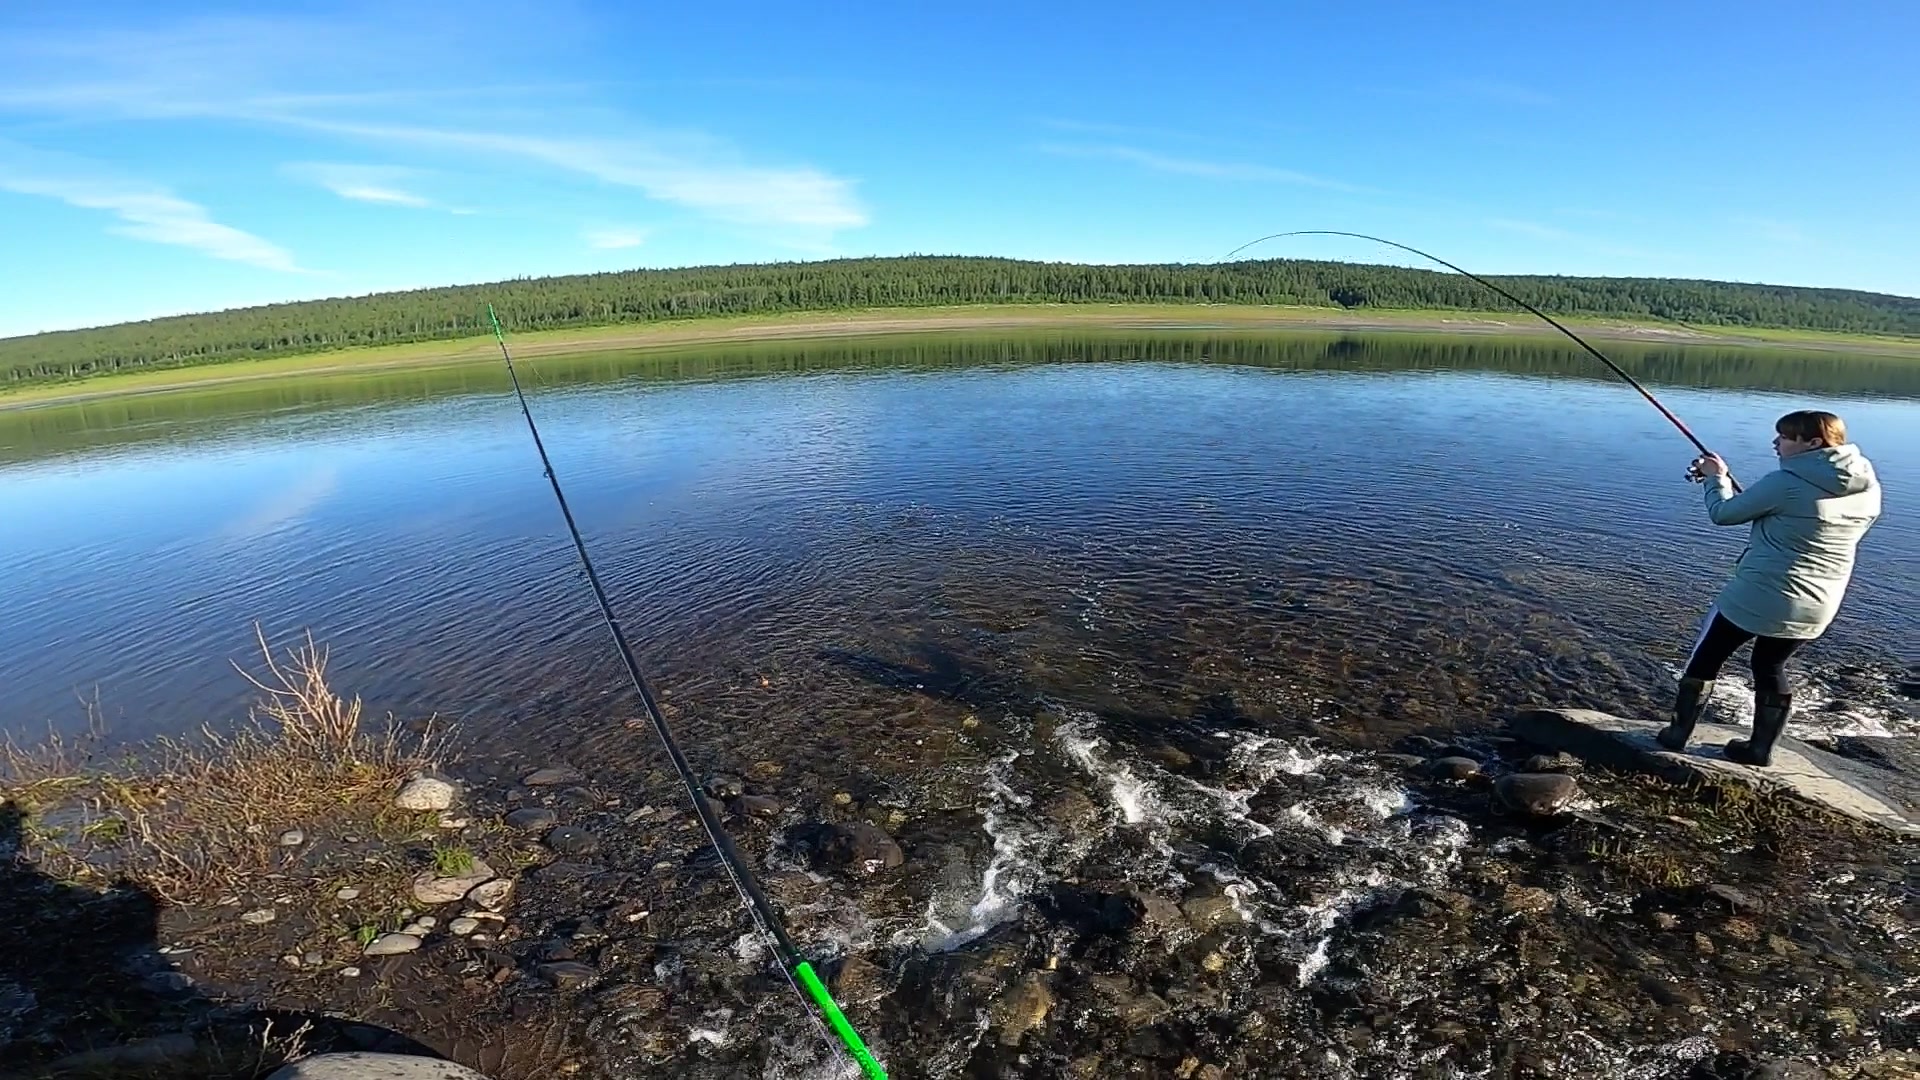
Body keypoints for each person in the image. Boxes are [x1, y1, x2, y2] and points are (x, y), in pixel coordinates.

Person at [1657, 409, 1882, 765]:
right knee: (1770, 666)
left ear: (1813, 443)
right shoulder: (1868, 485)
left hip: (1760, 595)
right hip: (1819, 603)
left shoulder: (1784, 483)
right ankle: (1760, 750)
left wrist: (1716, 479)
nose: (1775, 443)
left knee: (1707, 656)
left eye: (1785, 437)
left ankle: (1675, 735)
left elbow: (1724, 514)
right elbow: (1812, 526)